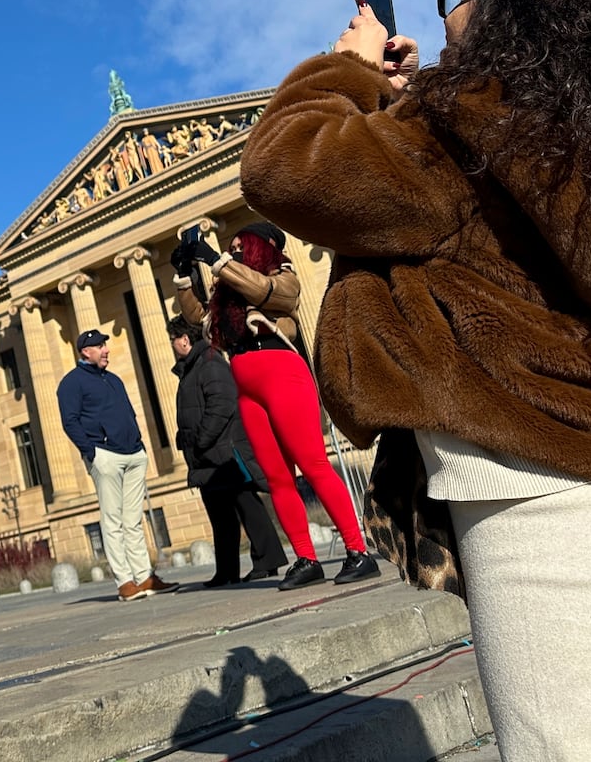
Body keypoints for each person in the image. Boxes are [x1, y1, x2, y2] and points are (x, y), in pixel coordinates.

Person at [239, 0, 591, 760]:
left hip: (553, 520)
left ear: (514, 11)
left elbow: (284, 166)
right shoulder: (590, 132)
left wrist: (345, 70)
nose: (445, 10)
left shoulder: (451, 131)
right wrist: (403, 101)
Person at [174, 224, 379, 590]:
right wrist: (184, 275)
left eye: (240, 246)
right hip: (247, 384)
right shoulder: (228, 293)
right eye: (230, 247)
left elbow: (267, 294)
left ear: (263, 245)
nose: (233, 251)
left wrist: (216, 261)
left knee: (313, 464)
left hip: (281, 372)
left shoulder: (282, 274)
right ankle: (306, 558)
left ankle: (358, 550)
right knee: (278, 476)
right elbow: (198, 319)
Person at [57, 329, 178, 601]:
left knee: (133, 520)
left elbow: (128, 412)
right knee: (112, 520)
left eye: (105, 345)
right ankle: (124, 582)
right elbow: (70, 421)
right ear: (85, 352)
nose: (106, 350)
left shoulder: (113, 379)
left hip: (133, 454)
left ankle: (145, 577)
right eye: (100, 346)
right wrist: (92, 452)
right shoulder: (71, 383)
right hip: (105, 455)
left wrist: (141, 445)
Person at [167, 318, 288, 586]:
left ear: (184, 340)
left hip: (223, 452)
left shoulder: (209, 362)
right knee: (221, 514)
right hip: (208, 456)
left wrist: (201, 440)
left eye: (173, 340)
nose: (173, 346)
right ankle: (227, 571)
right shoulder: (194, 367)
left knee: (246, 505)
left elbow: (222, 403)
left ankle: (267, 560)